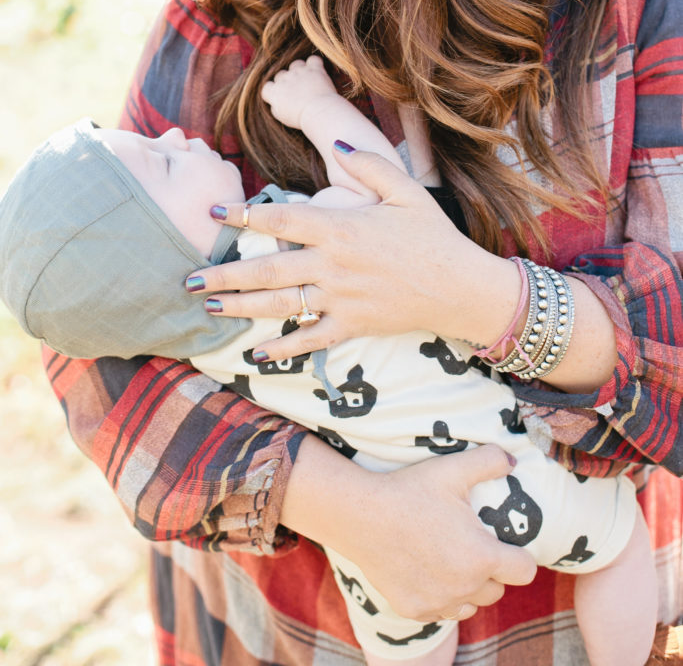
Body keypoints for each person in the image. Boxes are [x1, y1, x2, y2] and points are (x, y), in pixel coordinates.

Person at [35, 0, 683, 663]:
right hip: (284, 627)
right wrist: (344, 505)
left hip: (561, 614)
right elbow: (89, 329)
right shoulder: (229, 9)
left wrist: (476, 298)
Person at [0, 57, 657, 665]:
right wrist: (314, 107)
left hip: (371, 549)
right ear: (163, 257)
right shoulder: (289, 249)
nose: (174, 136)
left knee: (407, 645)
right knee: (619, 542)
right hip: (502, 472)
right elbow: (381, 184)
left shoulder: (186, 344)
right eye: (163, 165)